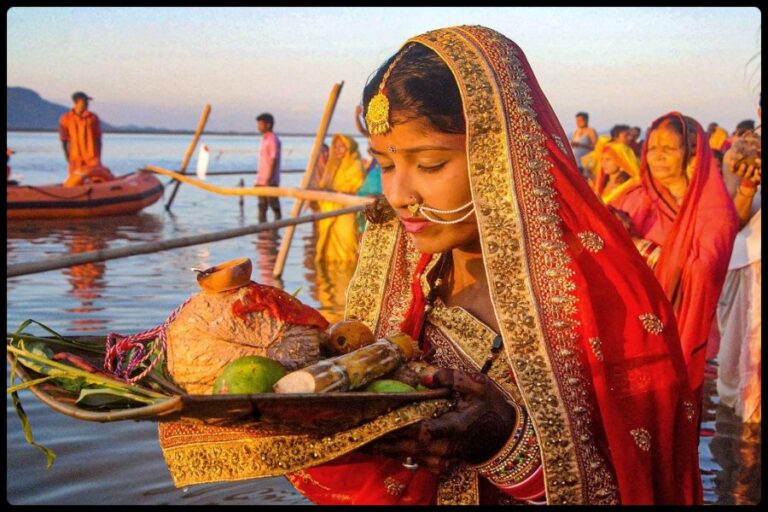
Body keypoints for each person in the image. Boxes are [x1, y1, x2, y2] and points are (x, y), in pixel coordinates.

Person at [157, 26, 702, 506]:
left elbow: (640, 480)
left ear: (502, 153)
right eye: (385, 163)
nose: (398, 194)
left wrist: (506, 443)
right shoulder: (407, 264)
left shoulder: (596, 289)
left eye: (430, 163)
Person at [608, 112, 739, 419]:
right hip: (629, 335)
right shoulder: (630, 198)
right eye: (652, 148)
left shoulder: (713, 210)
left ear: (691, 152)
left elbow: (702, 273)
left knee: (670, 423)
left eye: (670, 147)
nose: (658, 156)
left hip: (679, 335)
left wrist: (638, 245)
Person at [716, 99, 761, 424]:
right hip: (751, 265)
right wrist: (747, 186)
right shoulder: (743, 153)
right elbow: (734, 221)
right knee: (744, 376)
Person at [314, 133, 365, 262]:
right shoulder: (332, 166)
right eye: (336, 147)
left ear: (349, 147)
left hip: (346, 213)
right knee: (329, 252)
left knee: (347, 250)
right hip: (329, 212)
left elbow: (358, 191)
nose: (338, 150)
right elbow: (324, 187)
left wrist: (336, 193)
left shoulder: (356, 165)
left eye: (342, 147)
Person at [58, 91, 114, 187]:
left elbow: (98, 138)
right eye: (85, 101)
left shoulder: (93, 118)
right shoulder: (66, 118)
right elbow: (64, 140)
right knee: (74, 182)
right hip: (75, 158)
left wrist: (98, 155)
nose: (88, 104)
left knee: (97, 180)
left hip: (92, 156)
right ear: (78, 102)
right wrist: (67, 157)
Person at [254, 112, 282, 223]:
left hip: (269, 180)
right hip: (261, 179)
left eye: (260, 124)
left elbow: (273, 159)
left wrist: (269, 180)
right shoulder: (264, 139)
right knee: (261, 207)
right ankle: (262, 234)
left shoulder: (272, 140)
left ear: (268, 125)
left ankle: (277, 231)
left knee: (274, 205)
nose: (258, 126)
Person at [570, 112, 597, 178]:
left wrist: (580, 145)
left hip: (586, 162)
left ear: (586, 120)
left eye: (580, 120)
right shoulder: (575, 132)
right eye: (577, 121)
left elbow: (595, 147)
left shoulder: (591, 131)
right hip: (576, 161)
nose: (578, 122)